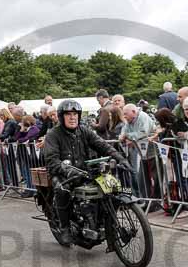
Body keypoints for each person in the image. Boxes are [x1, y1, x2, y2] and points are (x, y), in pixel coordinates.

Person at [44, 99, 132, 244]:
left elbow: (102, 144)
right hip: (62, 173)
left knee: (112, 188)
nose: (73, 117)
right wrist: (66, 170)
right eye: (68, 114)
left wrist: (120, 158)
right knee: (62, 190)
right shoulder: (53, 135)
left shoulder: (84, 131)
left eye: (75, 114)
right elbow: (52, 160)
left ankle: (104, 222)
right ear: (61, 116)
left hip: (84, 171)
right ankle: (65, 228)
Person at [119, 103, 155, 199]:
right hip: (142, 153)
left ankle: (155, 201)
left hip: (153, 152)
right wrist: (122, 136)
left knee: (155, 179)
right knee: (142, 179)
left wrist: (128, 136)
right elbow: (124, 129)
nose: (124, 116)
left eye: (126, 114)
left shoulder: (143, 117)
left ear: (134, 112)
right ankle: (145, 200)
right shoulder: (129, 119)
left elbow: (143, 132)